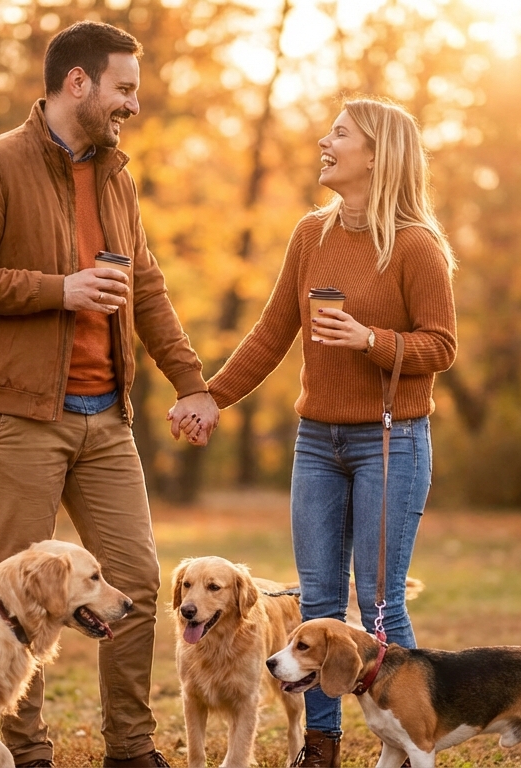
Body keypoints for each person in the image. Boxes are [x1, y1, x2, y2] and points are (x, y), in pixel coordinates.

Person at [0, 21, 218, 768]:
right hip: (17, 417)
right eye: (124, 88)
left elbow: (146, 289)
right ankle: (24, 752)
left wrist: (193, 384)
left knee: (137, 584)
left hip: (107, 419)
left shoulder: (116, 177)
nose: (132, 105)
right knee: (21, 599)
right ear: (79, 83)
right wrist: (59, 289)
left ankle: (130, 748)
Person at [189, 97, 457, 767]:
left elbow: (442, 346)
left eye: (339, 134)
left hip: (389, 443)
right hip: (317, 443)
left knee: (378, 605)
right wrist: (210, 396)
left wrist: (373, 340)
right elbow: (273, 331)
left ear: (376, 154)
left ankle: (412, 738)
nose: (323, 140)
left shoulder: (416, 246)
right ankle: (322, 743)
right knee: (317, 600)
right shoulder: (311, 234)